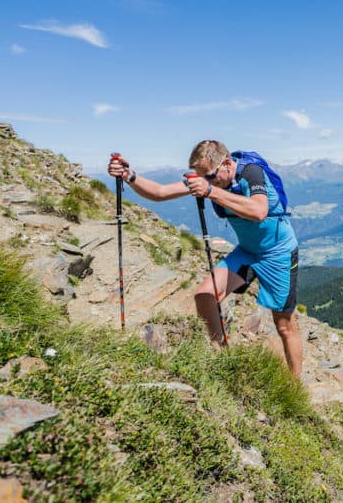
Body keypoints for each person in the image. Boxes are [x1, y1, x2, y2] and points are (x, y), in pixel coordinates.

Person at [108, 141, 302, 378]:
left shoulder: (251, 173)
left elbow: (258, 211)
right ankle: (221, 357)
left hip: (278, 253)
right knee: (205, 295)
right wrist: (129, 176)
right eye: (204, 179)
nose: (208, 182)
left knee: (284, 325)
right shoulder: (209, 179)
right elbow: (159, 193)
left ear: (227, 164)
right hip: (248, 251)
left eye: (211, 176)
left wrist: (210, 191)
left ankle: (295, 387)